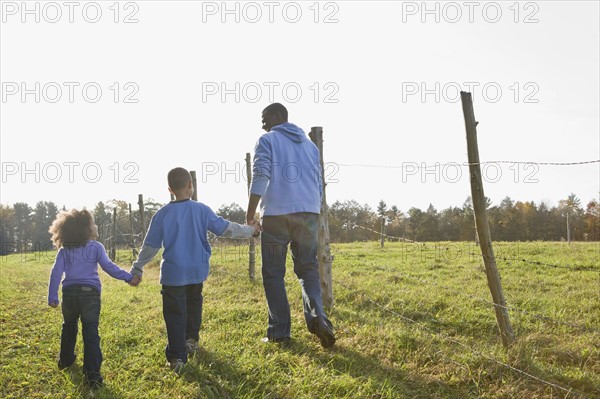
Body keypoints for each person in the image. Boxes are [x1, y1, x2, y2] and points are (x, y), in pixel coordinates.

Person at [129, 167, 260, 373]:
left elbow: (150, 246)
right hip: (196, 272)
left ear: (170, 189)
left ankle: (177, 357)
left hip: (173, 275)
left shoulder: (162, 214)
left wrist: (137, 267)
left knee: (174, 314)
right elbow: (226, 228)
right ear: (191, 184)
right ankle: (191, 340)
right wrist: (251, 230)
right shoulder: (202, 210)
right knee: (193, 305)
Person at [246, 103, 336, 348]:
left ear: (277, 116)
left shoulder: (267, 140)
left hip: (276, 217)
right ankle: (320, 319)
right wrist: (313, 209)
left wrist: (251, 212)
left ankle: (279, 332)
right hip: (307, 215)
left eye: (264, 118)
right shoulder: (310, 146)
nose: (262, 124)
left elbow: (261, 176)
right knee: (308, 270)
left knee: (273, 274)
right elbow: (318, 183)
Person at [47, 208, 136, 390]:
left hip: (70, 294)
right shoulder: (96, 247)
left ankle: (65, 360)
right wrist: (129, 277)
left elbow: (56, 273)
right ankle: (93, 375)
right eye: (93, 223)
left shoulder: (65, 250)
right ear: (86, 230)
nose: (95, 226)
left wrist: (53, 295)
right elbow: (109, 267)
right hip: (90, 295)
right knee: (91, 332)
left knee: (68, 326)